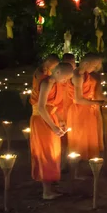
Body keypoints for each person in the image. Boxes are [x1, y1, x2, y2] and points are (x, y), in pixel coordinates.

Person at [29, 63, 74, 199]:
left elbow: (53, 105)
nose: (65, 81)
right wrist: (53, 127)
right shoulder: (47, 83)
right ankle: (46, 192)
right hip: (42, 121)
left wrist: (60, 122)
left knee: (54, 153)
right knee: (46, 153)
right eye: (65, 78)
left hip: (51, 118)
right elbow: (42, 107)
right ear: (58, 72)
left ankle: (51, 185)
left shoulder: (55, 83)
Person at [67, 54, 107, 160]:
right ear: (86, 63)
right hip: (79, 111)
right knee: (81, 139)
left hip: (89, 110)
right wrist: (97, 103)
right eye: (94, 66)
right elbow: (78, 99)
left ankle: (89, 163)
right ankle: (78, 164)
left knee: (90, 138)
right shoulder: (77, 76)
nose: (95, 69)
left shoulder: (86, 74)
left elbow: (95, 94)